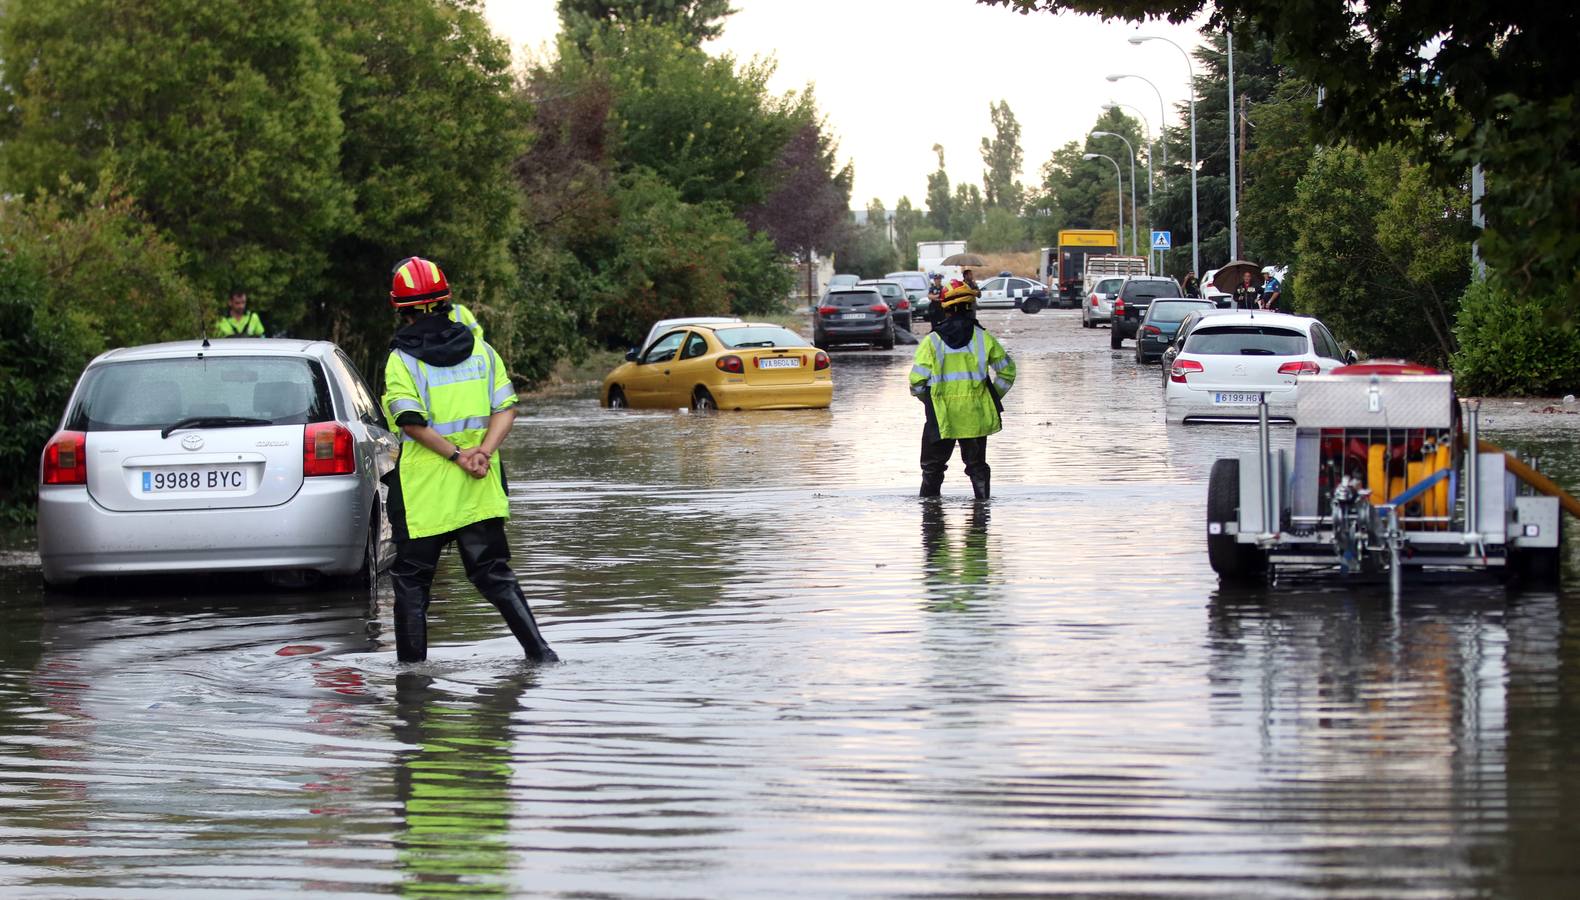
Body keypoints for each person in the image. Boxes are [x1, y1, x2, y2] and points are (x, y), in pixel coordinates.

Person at [380, 256, 557, 664]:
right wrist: (483, 454)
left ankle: (412, 685)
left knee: (411, 584)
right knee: (493, 574)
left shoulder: (401, 360)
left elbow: (410, 422)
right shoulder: (481, 349)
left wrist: (458, 456)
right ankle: (541, 655)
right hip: (479, 485)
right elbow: (506, 408)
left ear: (400, 308)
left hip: (425, 494)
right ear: (447, 300)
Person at [908, 279, 1015, 500]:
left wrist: (929, 400)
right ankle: (982, 517)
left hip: (940, 416)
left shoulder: (931, 342)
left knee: (932, 468)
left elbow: (916, 383)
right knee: (977, 467)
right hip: (974, 415)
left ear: (945, 310)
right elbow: (1007, 373)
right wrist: (990, 396)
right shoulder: (983, 338)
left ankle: (931, 522)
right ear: (970, 308)